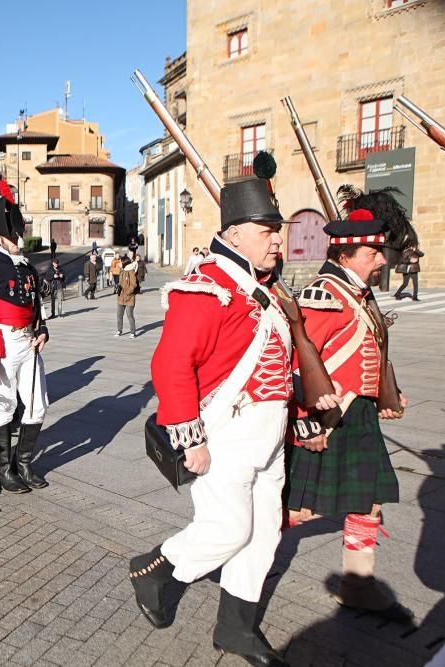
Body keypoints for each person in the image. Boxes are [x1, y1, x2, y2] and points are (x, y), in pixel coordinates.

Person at [130, 179, 340, 666]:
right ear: (235, 232)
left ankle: (236, 629)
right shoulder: (208, 287)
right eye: (265, 229)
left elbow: (283, 360)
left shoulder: (268, 287)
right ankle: (156, 571)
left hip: (268, 433)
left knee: (264, 533)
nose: (276, 238)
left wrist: (301, 419)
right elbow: (171, 365)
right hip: (224, 430)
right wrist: (189, 436)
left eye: (276, 229)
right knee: (227, 529)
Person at [286, 207, 412, 621]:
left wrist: (385, 394)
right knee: (296, 511)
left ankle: (356, 585)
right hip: (328, 419)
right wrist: (308, 423)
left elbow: (365, 355)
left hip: (357, 414)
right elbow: (299, 364)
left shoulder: (359, 294)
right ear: (344, 256)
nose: (381, 260)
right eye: (371, 252)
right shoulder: (324, 295)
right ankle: (231, 558)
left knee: (369, 503)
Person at [0, 177, 50, 494]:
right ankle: (4, 471)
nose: (18, 238)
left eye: (19, 233)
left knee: (37, 406)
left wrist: (43, 329)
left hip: (28, 343)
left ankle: (24, 464)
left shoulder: (29, 269)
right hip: (2, 346)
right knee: (3, 407)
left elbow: (36, 305)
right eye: (11, 234)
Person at [115, 257, 139, 338]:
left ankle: (133, 332)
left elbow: (134, 284)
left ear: (124, 262)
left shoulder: (131, 271)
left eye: (121, 261)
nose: (119, 262)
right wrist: (118, 288)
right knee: (119, 315)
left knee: (129, 315)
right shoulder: (122, 270)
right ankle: (119, 330)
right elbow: (120, 282)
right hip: (121, 296)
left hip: (129, 297)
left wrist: (128, 292)